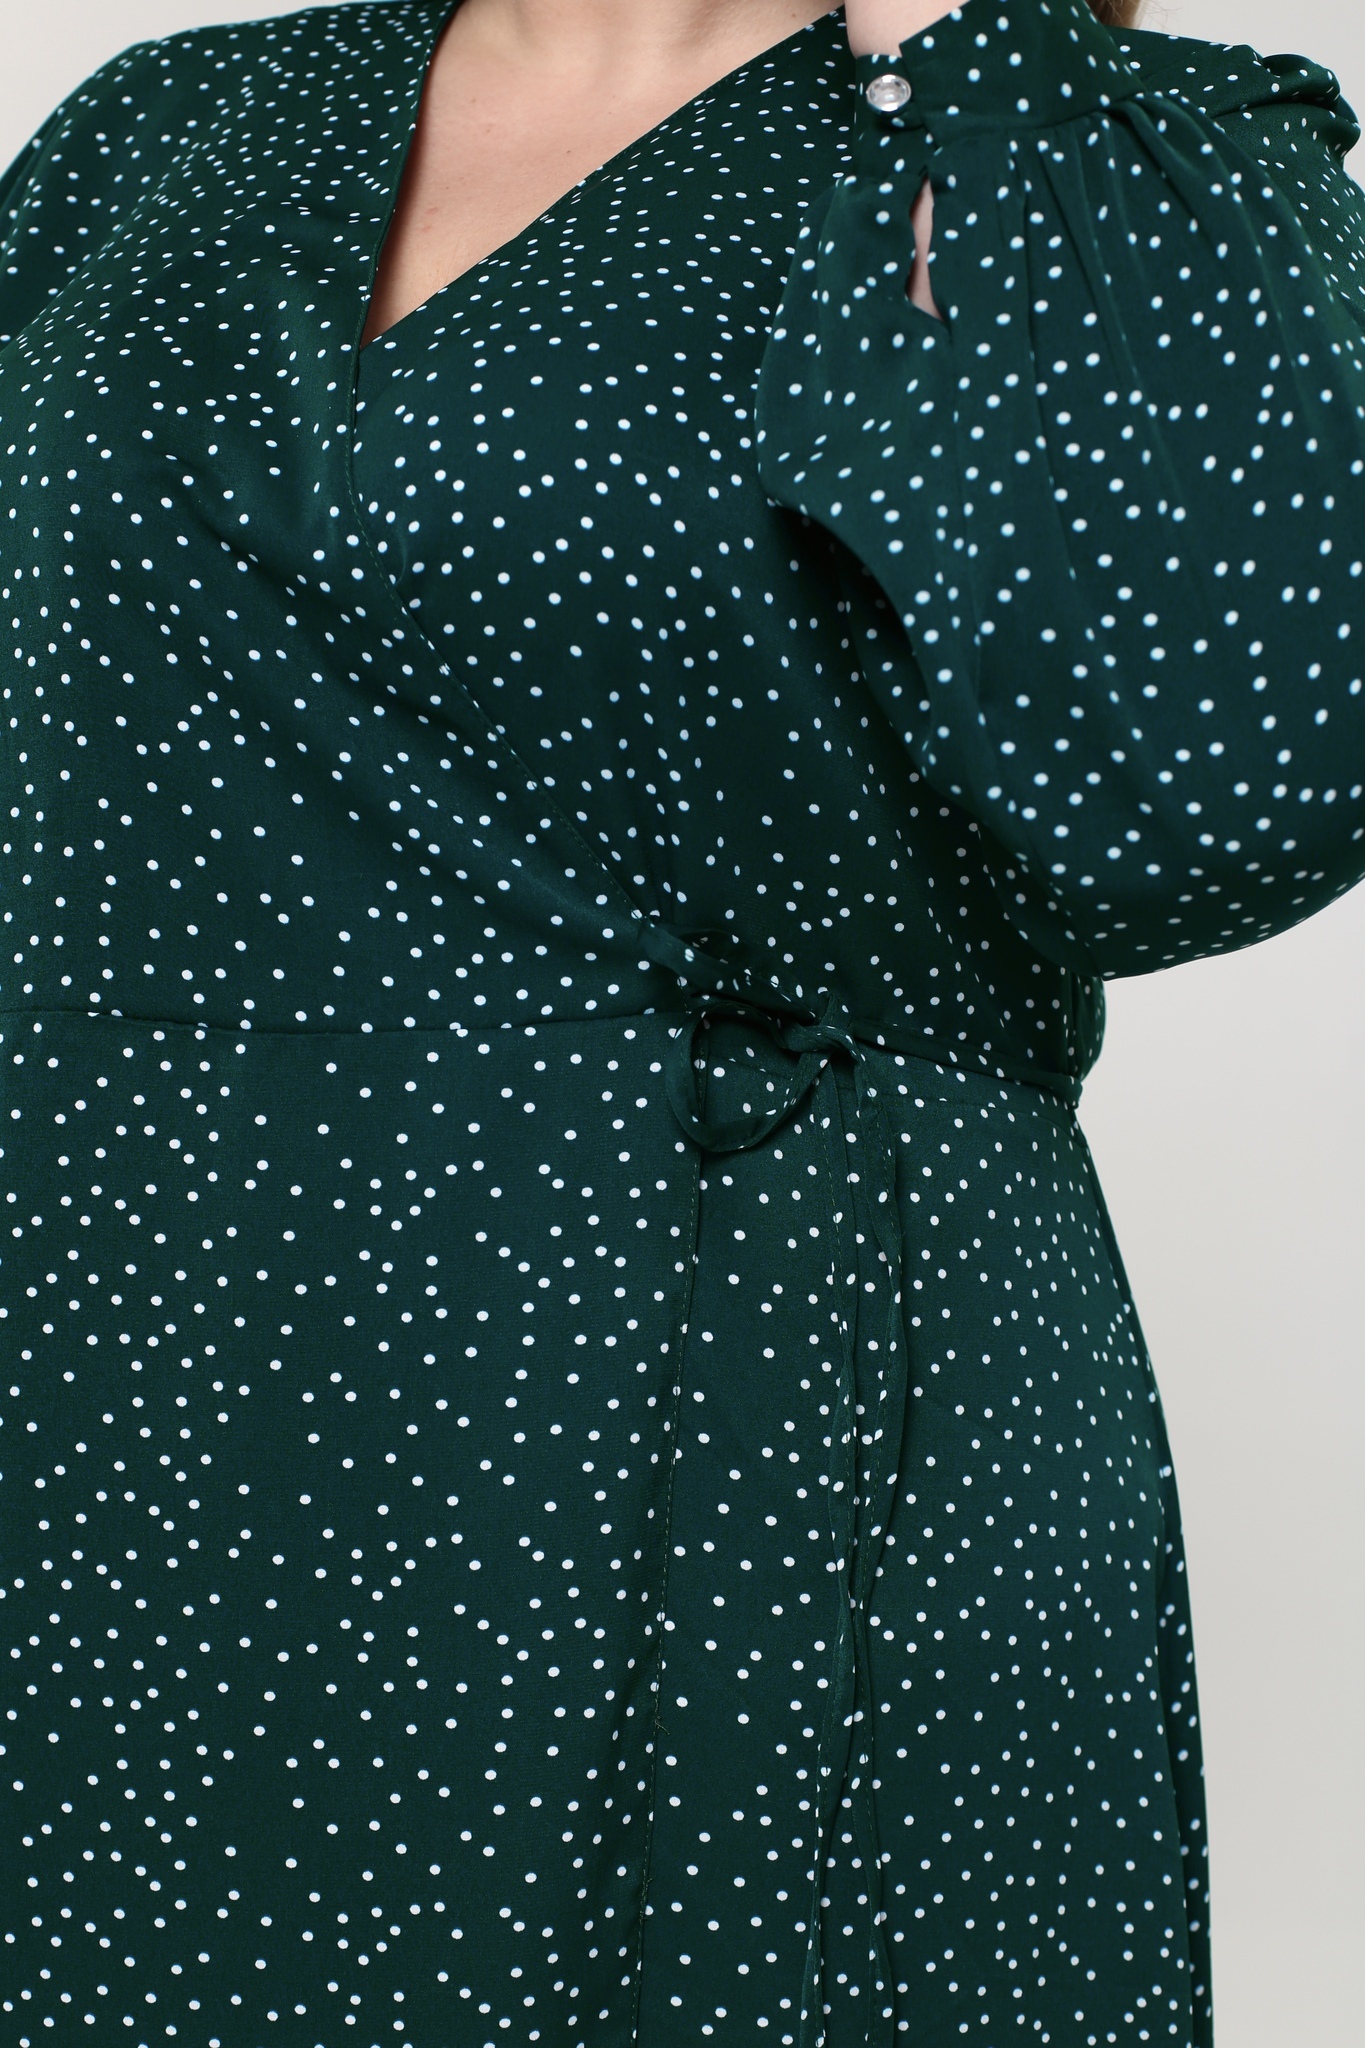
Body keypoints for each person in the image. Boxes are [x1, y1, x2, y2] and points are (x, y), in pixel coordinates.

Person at [2, 0, 1362, 2039]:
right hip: (128, 1399)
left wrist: (973, 65)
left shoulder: (1102, 143)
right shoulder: (181, 123)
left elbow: (1233, 772)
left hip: (735, 1383)